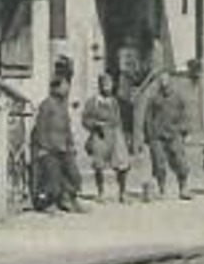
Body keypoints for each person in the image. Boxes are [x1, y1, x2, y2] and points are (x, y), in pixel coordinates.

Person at [30, 74, 83, 213]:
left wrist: (70, 145)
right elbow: (40, 128)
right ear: (55, 88)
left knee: (74, 174)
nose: (67, 88)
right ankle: (48, 203)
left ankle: (69, 199)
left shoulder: (62, 106)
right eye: (64, 85)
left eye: (67, 85)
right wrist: (44, 147)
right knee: (52, 178)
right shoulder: (46, 105)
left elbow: (67, 128)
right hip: (48, 148)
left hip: (63, 147)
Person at [143, 71, 193, 200]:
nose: (164, 84)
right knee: (159, 163)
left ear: (170, 82)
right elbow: (148, 117)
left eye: (166, 81)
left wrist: (183, 130)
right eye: (161, 81)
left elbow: (186, 115)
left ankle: (183, 188)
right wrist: (149, 135)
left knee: (180, 161)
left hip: (174, 133)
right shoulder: (154, 99)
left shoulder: (178, 97)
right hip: (157, 135)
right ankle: (162, 189)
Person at [82, 72, 130, 202]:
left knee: (123, 163)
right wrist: (94, 124)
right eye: (105, 84)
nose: (107, 87)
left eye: (109, 84)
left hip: (115, 132)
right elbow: (85, 119)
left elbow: (118, 119)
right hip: (99, 133)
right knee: (99, 164)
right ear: (100, 86)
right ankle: (101, 192)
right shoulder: (93, 102)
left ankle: (122, 192)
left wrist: (123, 136)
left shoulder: (114, 101)